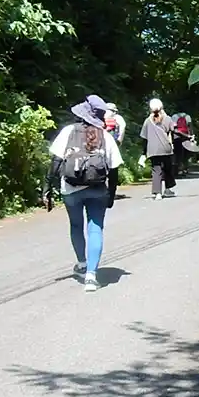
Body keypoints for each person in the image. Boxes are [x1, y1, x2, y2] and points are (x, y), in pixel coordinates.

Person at [46, 95, 123, 293]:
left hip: (71, 189)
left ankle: (81, 264)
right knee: (95, 228)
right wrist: (111, 194)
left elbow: (55, 161)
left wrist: (47, 186)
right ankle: (91, 275)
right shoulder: (105, 136)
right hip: (98, 190)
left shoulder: (68, 132)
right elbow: (113, 169)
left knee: (76, 225)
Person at [141, 98, 177, 199]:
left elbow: (144, 138)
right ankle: (168, 189)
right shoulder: (167, 119)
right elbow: (173, 131)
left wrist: (143, 153)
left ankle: (157, 193)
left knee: (156, 170)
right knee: (168, 168)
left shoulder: (147, 121)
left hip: (153, 150)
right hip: (166, 148)